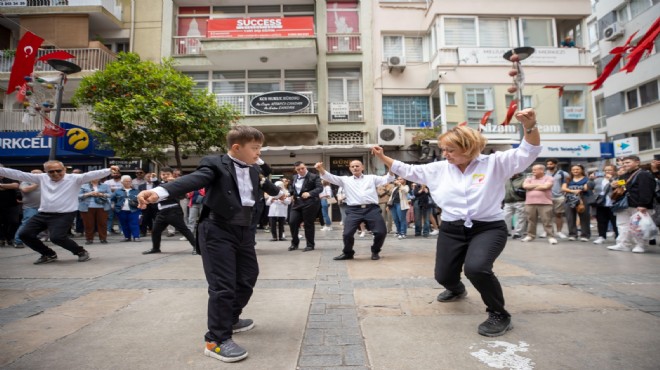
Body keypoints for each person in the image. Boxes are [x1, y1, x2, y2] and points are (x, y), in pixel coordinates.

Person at [372, 108, 541, 337]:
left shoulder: (495, 163)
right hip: (451, 229)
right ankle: (456, 289)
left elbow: (527, 152)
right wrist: (383, 156)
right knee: (443, 276)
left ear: (469, 148)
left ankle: (499, 313)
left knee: (477, 268)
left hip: (488, 228)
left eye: (450, 150)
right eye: (443, 149)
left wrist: (529, 127)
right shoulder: (439, 169)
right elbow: (408, 170)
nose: (445, 154)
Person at [137, 125, 283, 363]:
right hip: (217, 230)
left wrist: (278, 191)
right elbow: (193, 180)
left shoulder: (255, 170)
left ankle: (231, 318)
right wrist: (160, 192)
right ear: (236, 147)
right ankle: (216, 340)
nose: (259, 153)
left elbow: (270, 187)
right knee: (223, 285)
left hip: (244, 231)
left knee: (247, 278)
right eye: (255, 148)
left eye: (260, 148)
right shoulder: (216, 164)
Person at [0, 161, 119, 264]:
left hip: (64, 214)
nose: (55, 174)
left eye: (58, 171)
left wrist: (109, 170)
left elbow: (92, 174)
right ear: (46, 172)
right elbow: (18, 174)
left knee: (56, 237)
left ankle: (80, 251)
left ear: (64, 169)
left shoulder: (75, 178)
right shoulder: (41, 178)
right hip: (43, 214)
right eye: (51, 172)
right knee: (24, 234)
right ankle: (48, 254)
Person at [315, 160, 394, 260]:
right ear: (350, 168)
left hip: (371, 209)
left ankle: (375, 251)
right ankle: (348, 253)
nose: (355, 168)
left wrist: (391, 168)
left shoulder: (371, 178)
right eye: (352, 166)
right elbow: (330, 177)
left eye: (357, 166)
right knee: (347, 234)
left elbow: (387, 178)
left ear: (362, 167)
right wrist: (320, 169)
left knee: (381, 232)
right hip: (354, 210)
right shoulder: (345, 180)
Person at [141, 167, 196, 255]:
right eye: (163, 174)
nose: (165, 176)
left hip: (173, 210)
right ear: (160, 175)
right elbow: (157, 184)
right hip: (161, 211)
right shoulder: (159, 184)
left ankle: (196, 247)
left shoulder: (175, 184)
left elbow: (182, 194)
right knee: (155, 231)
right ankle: (155, 248)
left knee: (184, 230)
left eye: (168, 174)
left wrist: (174, 181)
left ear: (172, 175)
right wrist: (154, 179)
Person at [608, 155, 656, 253]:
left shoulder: (644, 174)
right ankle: (623, 244)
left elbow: (646, 190)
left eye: (628, 162)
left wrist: (643, 204)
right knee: (622, 225)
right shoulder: (624, 175)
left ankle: (641, 245)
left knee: (639, 227)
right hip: (624, 204)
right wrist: (615, 185)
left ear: (637, 162)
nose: (625, 165)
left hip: (638, 205)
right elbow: (624, 186)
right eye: (624, 163)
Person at [287, 161, 323, 252]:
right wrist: (289, 193)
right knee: (292, 222)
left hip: (310, 203)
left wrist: (309, 193)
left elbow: (320, 188)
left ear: (305, 167)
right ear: (296, 170)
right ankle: (294, 243)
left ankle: (310, 245)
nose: (301, 170)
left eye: (302, 168)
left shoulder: (314, 176)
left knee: (308, 224)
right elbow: (291, 187)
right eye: (298, 169)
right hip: (297, 203)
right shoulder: (294, 177)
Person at [521, 164, 556, 244]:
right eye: (533, 170)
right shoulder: (528, 178)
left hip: (545, 203)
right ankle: (530, 236)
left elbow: (546, 187)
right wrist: (539, 185)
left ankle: (551, 236)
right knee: (531, 220)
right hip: (530, 203)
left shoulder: (549, 178)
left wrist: (532, 187)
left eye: (535, 170)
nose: (533, 171)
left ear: (542, 170)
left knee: (547, 220)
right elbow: (525, 186)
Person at [562, 164, 593, 242]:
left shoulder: (586, 179)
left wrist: (577, 190)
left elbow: (586, 188)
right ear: (571, 171)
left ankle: (585, 235)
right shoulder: (568, 179)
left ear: (582, 170)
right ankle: (572, 234)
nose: (575, 171)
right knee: (570, 217)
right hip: (569, 199)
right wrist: (573, 191)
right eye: (573, 170)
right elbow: (563, 188)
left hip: (583, 199)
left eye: (577, 169)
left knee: (584, 217)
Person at [13, 169, 43, 248]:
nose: (37, 175)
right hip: (30, 207)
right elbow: (25, 189)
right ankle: (18, 241)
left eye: (39, 174)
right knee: (26, 224)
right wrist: (37, 184)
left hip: (43, 207)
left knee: (41, 225)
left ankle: (33, 239)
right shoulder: (25, 182)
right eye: (35, 174)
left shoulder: (45, 182)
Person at [78, 178, 112, 244]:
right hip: (87, 207)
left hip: (102, 207)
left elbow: (110, 195)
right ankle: (89, 239)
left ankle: (103, 238)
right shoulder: (83, 186)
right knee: (88, 224)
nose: (95, 178)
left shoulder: (105, 185)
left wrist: (101, 194)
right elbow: (78, 196)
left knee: (102, 223)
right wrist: (89, 194)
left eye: (97, 177)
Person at [111, 175, 142, 242]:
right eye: (126, 181)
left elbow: (141, 200)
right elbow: (112, 199)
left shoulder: (136, 191)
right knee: (124, 224)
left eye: (129, 181)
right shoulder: (117, 191)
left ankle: (136, 237)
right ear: (122, 182)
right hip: (121, 210)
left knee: (134, 223)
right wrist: (115, 207)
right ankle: (127, 237)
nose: (128, 183)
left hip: (134, 210)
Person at [592, 165, 618, 245]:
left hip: (613, 203)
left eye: (610, 170)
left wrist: (611, 180)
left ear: (614, 171)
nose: (607, 172)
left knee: (615, 222)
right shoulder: (599, 180)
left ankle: (618, 237)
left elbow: (623, 188)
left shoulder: (619, 178)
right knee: (601, 221)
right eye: (606, 170)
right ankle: (601, 236)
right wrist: (590, 179)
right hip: (601, 203)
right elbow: (590, 187)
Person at [546, 158, 569, 239]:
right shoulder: (544, 174)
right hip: (547, 197)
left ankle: (559, 231)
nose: (549, 166)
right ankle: (548, 231)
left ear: (556, 164)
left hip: (559, 197)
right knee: (546, 216)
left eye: (551, 164)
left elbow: (568, 183)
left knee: (559, 215)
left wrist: (565, 192)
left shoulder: (563, 174)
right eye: (548, 164)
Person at [0, 166, 20, 247]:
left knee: (14, 222)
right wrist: (7, 186)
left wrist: (1, 185)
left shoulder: (10, 177)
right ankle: (2, 238)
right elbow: (11, 186)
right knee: (1, 223)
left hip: (12, 204)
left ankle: (10, 237)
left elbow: (15, 185)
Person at [503, 173, 527, 239]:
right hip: (508, 201)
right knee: (505, 216)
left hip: (520, 200)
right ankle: (507, 231)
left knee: (520, 217)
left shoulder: (524, 178)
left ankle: (518, 233)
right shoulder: (506, 179)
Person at [103, 170, 123, 234]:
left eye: (117, 173)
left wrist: (113, 190)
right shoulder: (107, 182)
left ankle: (122, 230)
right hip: (109, 201)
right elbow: (105, 190)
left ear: (120, 174)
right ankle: (108, 230)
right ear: (111, 174)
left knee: (120, 216)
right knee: (109, 217)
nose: (115, 174)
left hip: (121, 201)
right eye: (114, 173)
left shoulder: (123, 181)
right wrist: (118, 190)